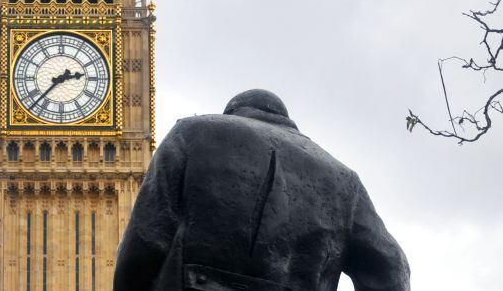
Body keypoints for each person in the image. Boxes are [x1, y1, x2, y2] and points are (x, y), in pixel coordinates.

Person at [114, 90, 410, 291]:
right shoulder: (345, 180)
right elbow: (391, 269)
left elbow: (145, 240)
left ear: (233, 114)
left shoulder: (191, 134)